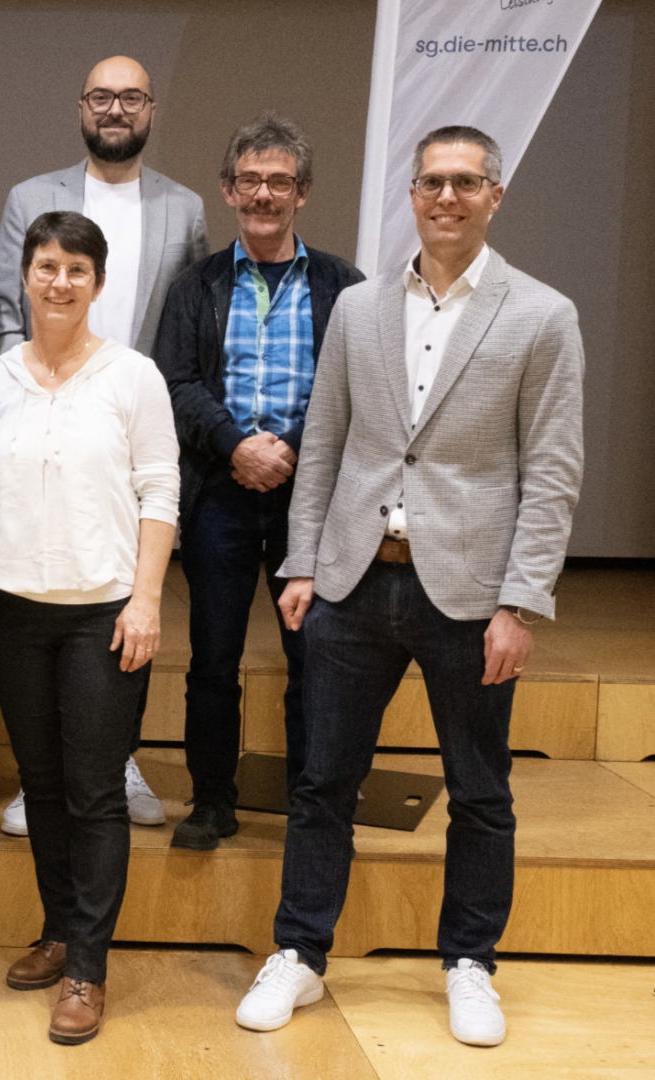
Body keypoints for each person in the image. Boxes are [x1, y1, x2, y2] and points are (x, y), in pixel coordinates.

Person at [235, 126, 583, 1048]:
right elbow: (329, 442)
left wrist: (520, 602)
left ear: (494, 196)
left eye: (467, 182)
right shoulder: (356, 309)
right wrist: (302, 562)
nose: (447, 197)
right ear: (414, 193)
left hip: (469, 596)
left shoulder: (542, 315)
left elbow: (552, 473)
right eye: (432, 181)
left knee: (480, 791)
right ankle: (302, 954)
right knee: (321, 783)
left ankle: (470, 963)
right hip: (353, 582)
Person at [0, 211, 179, 1045]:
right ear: (24, 275)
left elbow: (160, 491)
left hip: (105, 614)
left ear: (97, 283)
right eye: (46, 266)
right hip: (17, 610)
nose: (60, 283)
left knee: (95, 794)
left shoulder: (134, 377)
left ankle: (88, 968)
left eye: (76, 271)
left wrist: (147, 599)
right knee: (43, 784)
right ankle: (58, 933)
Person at [0, 54, 208, 837]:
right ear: (82, 106)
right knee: (44, 597)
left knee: (123, 607)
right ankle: (37, 775)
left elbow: (183, 322)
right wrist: (29, 386)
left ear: (150, 110)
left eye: (132, 98)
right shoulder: (31, 198)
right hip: (44, 412)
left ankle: (116, 759)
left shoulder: (183, 208)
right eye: (102, 97)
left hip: (128, 425)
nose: (116, 109)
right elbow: (6, 307)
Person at [153, 114, 364, 851]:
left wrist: (295, 451)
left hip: (314, 500)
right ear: (228, 189)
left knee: (317, 658)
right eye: (251, 180)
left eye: (279, 181)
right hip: (221, 494)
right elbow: (174, 382)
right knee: (213, 658)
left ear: (302, 192)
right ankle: (213, 802)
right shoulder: (198, 285)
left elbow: (359, 386)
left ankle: (314, 804)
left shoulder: (345, 286)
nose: (264, 194)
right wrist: (238, 446)